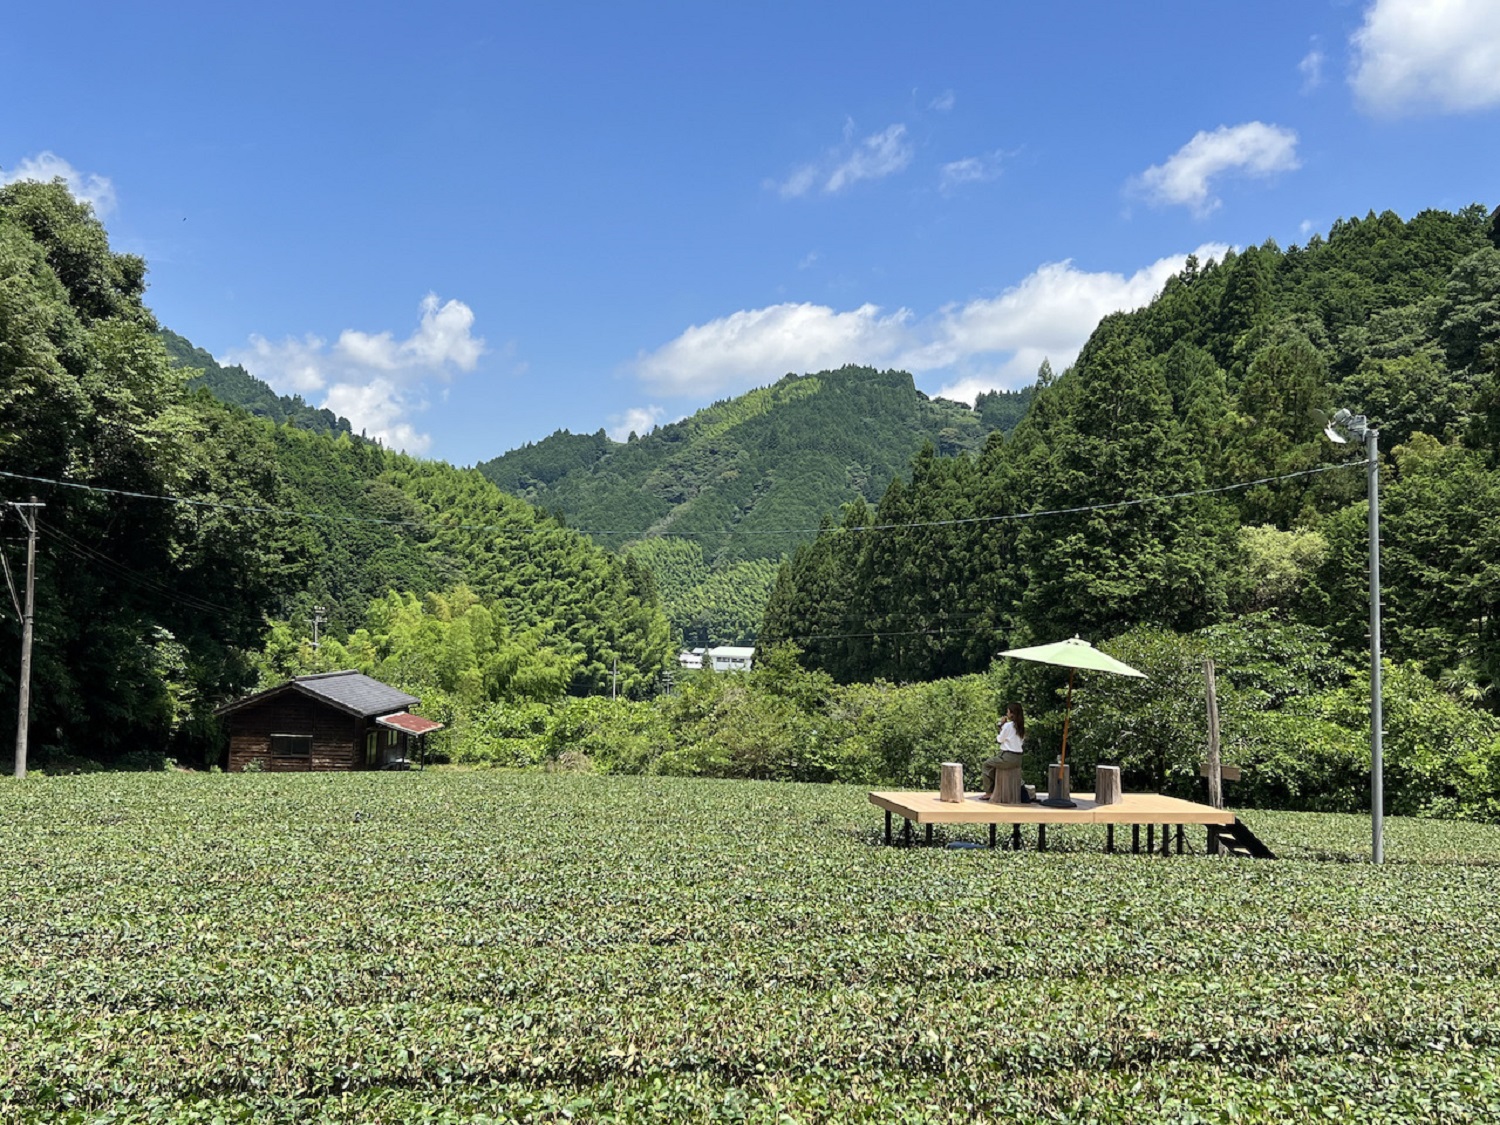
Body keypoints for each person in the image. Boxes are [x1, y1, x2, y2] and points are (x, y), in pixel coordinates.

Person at [980, 702, 1026, 801]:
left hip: (1007, 757)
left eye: (1008, 712)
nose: (1007, 713)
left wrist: (1002, 725)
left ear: (1012, 714)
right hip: (1018, 759)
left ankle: (989, 792)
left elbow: (1000, 739)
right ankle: (996, 788)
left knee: (986, 765)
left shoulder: (1008, 726)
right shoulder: (1021, 727)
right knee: (994, 766)